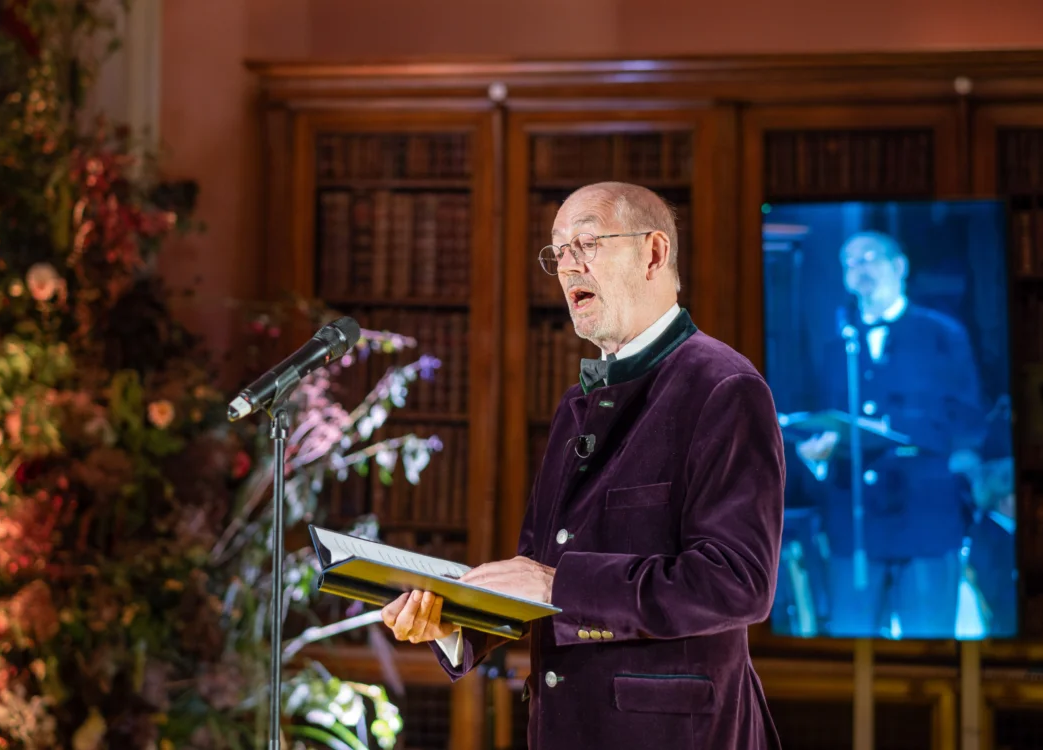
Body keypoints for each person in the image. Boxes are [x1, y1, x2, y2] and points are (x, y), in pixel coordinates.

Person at [381, 182, 785, 749]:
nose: (567, 267)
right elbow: (537, 572)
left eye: (587, 242)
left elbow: (738, 583)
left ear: (654, 252)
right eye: (557, 251)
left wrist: (555, 582)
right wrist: (457, 625)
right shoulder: (576, 403)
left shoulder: (724, 386)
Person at [796, 231, 986, 638]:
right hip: (855, 522)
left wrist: (894, 430)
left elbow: (967, 419)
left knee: (926, 646)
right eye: (850, 263)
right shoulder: (835, 347)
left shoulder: (943, 334)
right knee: (850, 641)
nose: (860, 270)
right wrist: (817, 454)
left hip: (925, 517)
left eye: (870, 258)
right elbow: (817, 415)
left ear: (900, 266)